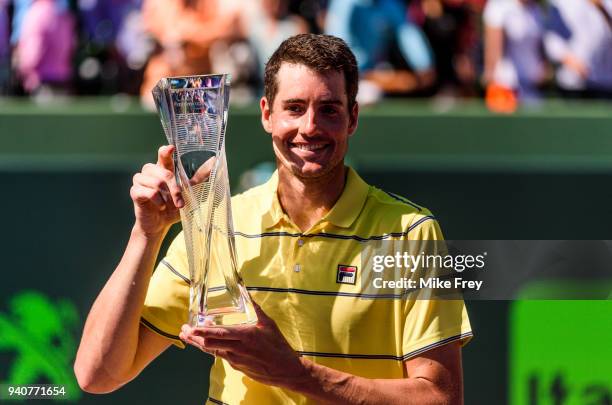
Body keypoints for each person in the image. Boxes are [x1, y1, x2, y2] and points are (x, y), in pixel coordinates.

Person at [74, 34, 472, 404]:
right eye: (295, 108)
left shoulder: (411, 232)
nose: (309, 127)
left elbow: (439, 397)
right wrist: (147, 234)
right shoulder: (217, 225)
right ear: (267, 114)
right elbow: (98, 374)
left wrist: (297, 374)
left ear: (352, 118)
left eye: (328, 110)